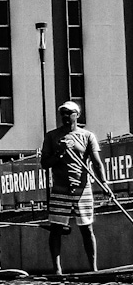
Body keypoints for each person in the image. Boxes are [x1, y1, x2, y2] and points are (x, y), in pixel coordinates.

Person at [40, 101, 106, 275]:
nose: (65, 117)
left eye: (69, 113)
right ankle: (57, 270)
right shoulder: (52, 136)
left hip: (83, 189)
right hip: (60, 189)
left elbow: (97, 163)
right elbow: (44, 163)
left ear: (77, 115)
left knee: (87, 228)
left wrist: (104, 183)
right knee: (56, 228)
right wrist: (59, 153)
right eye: (62, 114)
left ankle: (93, 269)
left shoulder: (87, 136)